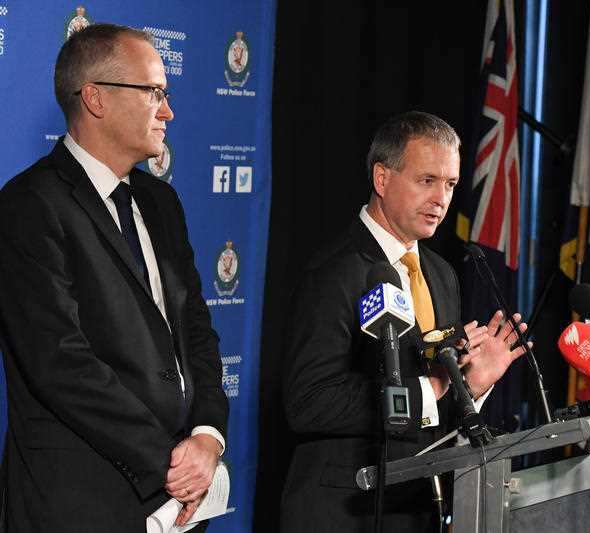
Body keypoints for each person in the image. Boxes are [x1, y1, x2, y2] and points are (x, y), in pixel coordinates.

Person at [0, 24, 228, 532]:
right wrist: (169, 464)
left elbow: (196, 330)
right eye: (153, 93)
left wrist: (208, 436)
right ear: (96, 98)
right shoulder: (29, 205)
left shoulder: (161, 202)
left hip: (181, 498)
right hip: (81, 502)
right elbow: (59, 362)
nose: (167, 112)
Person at [281, 111, 531, 531]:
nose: (441, 199)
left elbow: (431, 414)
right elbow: (310, 402)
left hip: (418, 510)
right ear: (382, 179)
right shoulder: (333, 271)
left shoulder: (441, 273)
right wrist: (433, 388)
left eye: (450, 184)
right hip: (346, 512)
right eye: (427, 180)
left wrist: (470, 386)